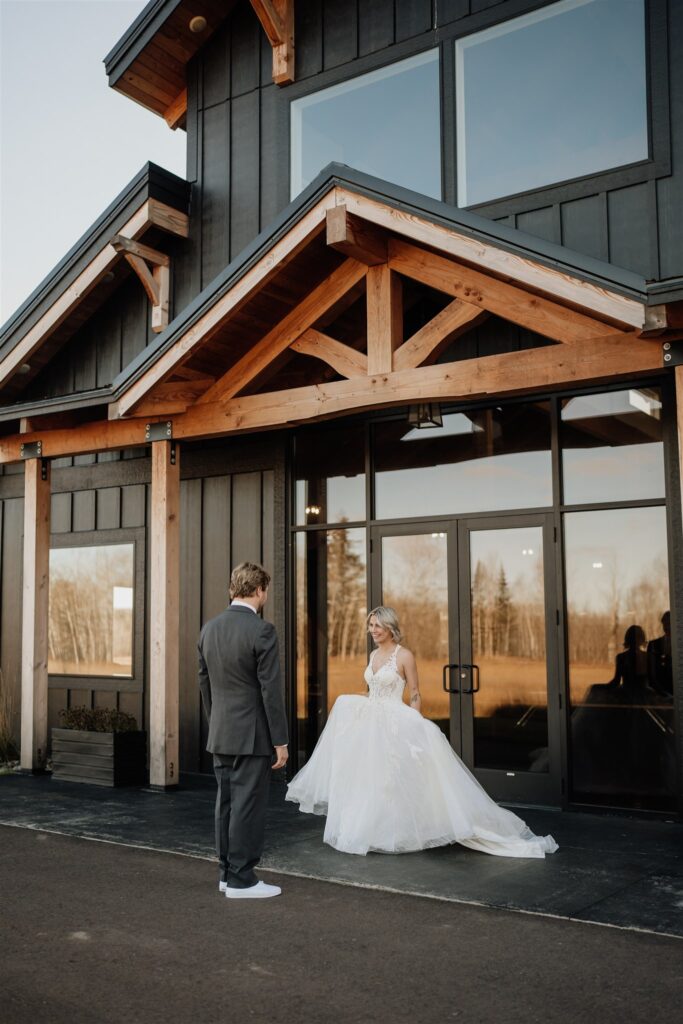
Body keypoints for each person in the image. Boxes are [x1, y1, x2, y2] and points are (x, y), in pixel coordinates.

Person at [286, 606, 558, 858]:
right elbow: (371, 692)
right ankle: (371, 831)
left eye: (378, 625)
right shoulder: (373, 655)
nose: (373, 630)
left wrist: (413, 725)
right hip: (372, 724)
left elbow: (415, 694)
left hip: (395, 720)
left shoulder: (404, 656)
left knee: (394, 779)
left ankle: (400, 831)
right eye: (370, 625)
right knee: (372, 777)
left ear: (391, 627)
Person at [198, 562, 288, 899]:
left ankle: (225, 874)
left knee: (226, 803)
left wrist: (216, 721)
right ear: (260, 590)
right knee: (247, 805)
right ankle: (242, 880)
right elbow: (270, 690)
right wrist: (280, 740)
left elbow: (204, 684)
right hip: (252, 735)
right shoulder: (262, 630)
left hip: (221, 731)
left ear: (232, 588)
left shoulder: (209, 628)